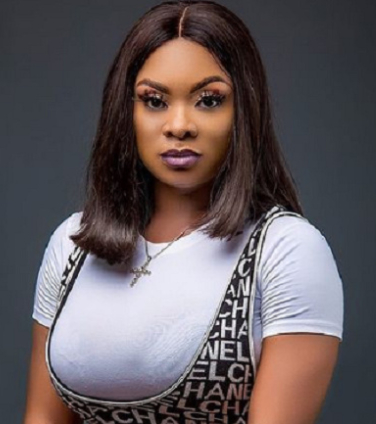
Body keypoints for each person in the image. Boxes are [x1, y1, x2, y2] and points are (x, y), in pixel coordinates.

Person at [23, 1, 344, 423]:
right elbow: (42, 418)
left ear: (244, 110)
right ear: (126, 111)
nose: (179, 125)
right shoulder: (74, 246)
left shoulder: (284, 251)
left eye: (208, 100)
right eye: (155, 101)